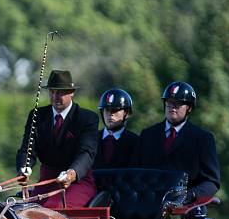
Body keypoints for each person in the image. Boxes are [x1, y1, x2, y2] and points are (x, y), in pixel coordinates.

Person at [15, 69, 98, 208]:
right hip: (46, 182)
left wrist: (71, 174)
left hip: (77, 183)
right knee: (25, 210)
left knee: (52, 209)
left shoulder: (87, 118)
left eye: (60, 92)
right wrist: (24, 168)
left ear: (72, 93)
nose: (55, 96)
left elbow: (87, 153)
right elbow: (27, 149)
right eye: (52, 92)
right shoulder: (37, 116)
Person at [135, 81, 220, 203]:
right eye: (169, 103)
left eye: (178, 103)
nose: (172, 107)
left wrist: (188, 196)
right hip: (149, 206)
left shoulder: (203, 139)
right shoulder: (147, 135)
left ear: (189, 108)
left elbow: (211, 182)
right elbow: (136, 173)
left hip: (186, 208)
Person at [93, 88, 139, 169]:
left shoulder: (136, 142)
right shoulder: (90, 139)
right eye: (107, 110)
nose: (110, 114)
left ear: (127, 113)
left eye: (115, 110)